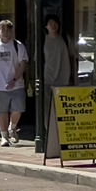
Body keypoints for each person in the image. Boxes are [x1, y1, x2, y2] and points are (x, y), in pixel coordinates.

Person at [0, 18, 28, 145]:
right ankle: (4, 137)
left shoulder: (18, 46)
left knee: (17, 109)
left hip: (16, 84)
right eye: (2, 29)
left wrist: (14, 79)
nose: (5, 32)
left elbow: (22, 64)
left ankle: (12, 128)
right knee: (1, 111)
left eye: (8, 29)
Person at [39, 14, 75, 157]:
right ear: (45, 26)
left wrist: (73, 74)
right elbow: (39, 60)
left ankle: (63, 135)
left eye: (55, 23)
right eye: (50, 23)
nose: (53, 25)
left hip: (64, 79)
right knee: (48, 109)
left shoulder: (65, 39)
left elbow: (72, 57)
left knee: (62, 109)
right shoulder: (43, 40)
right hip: (48, 80)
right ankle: (49, 135)